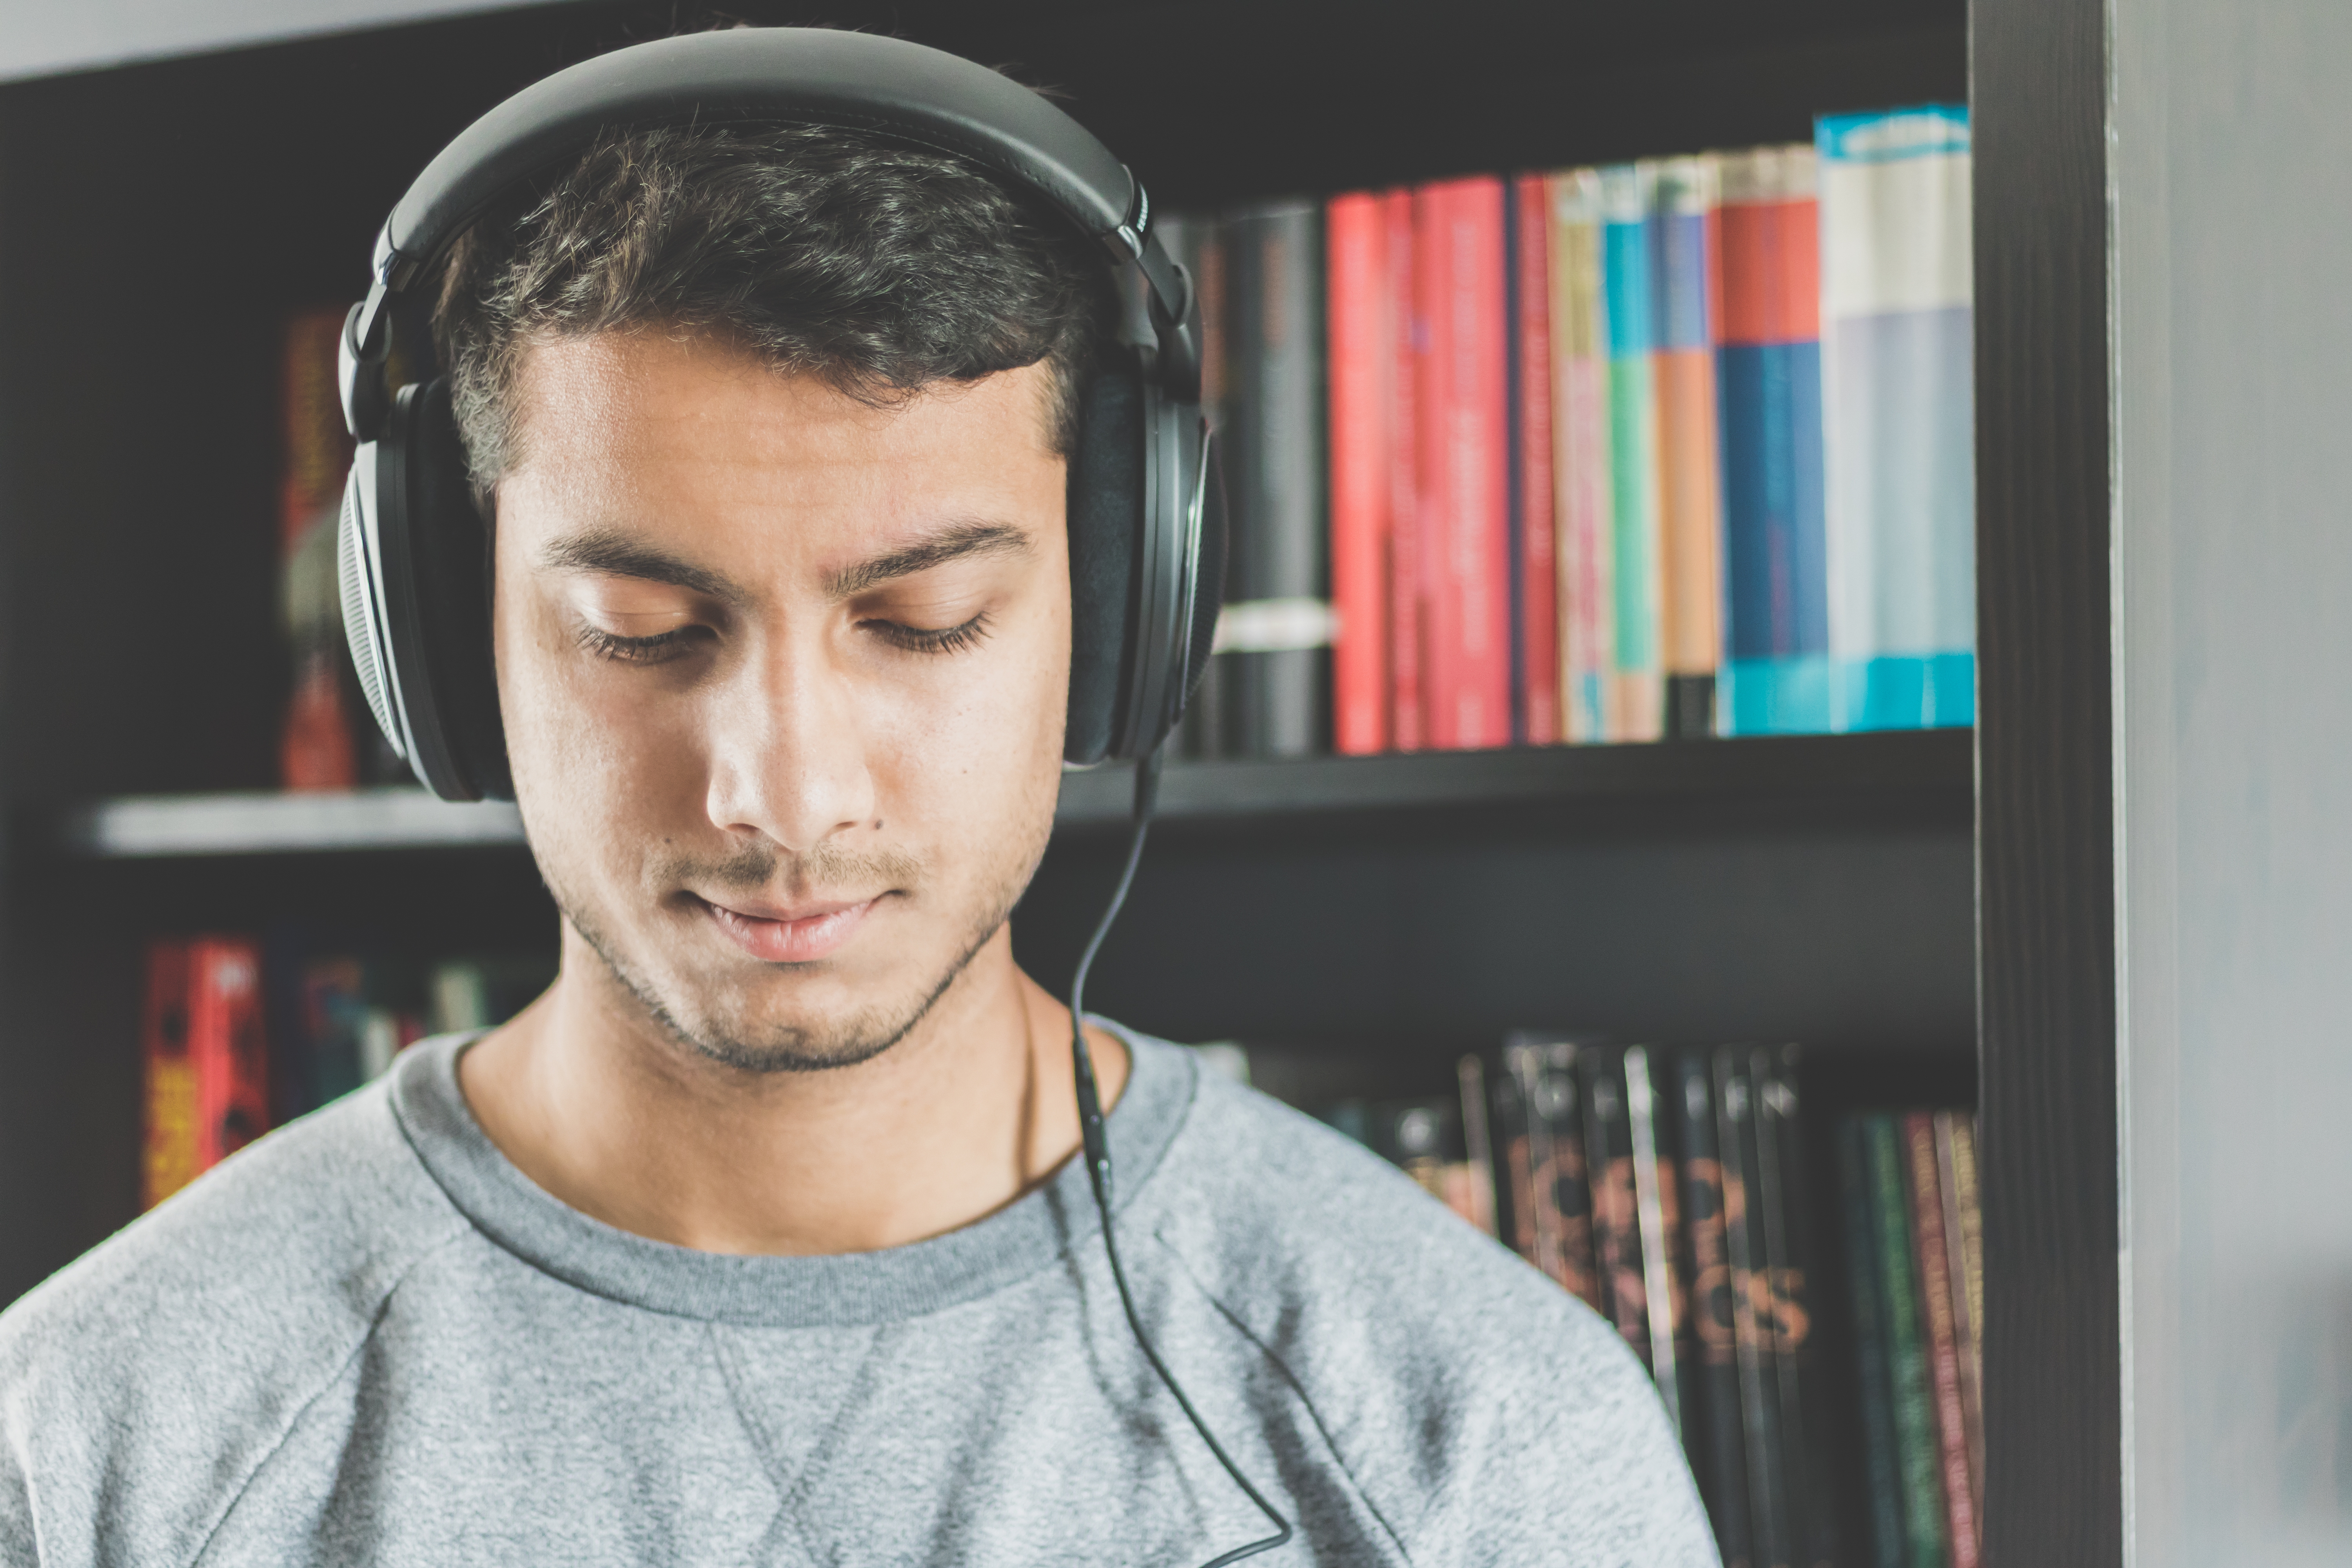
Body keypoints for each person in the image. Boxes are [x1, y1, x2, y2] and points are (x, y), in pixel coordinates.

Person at [0, 33, 1715, 1568]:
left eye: (922, 623)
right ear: (445, 639)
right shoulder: (97, 1441)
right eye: (641, 633)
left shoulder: (1476, 1437)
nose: (781, 788)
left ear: (1119, 613)